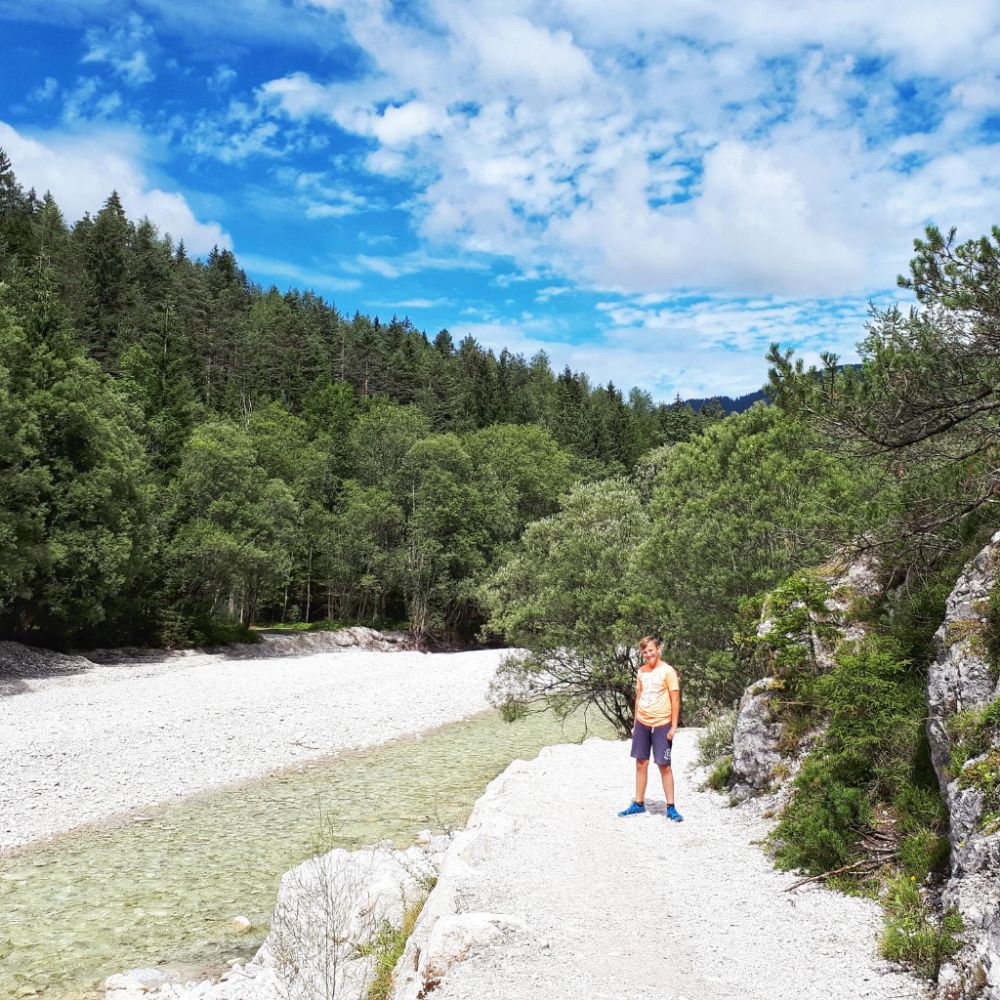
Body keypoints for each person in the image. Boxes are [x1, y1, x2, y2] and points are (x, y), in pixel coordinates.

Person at [618, 635, 683, 822]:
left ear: (658, 650)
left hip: (662, 723)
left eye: (651, 650)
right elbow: (639, 697)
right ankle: (638, 803)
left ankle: (671, 807)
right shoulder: (641, 672)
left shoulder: (668, 671)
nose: (648, 654)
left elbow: (675, 699)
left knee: (664, 766)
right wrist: (635, 723)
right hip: (642, 723)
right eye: (645, 652)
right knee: (640, 763)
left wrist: (674, 725)